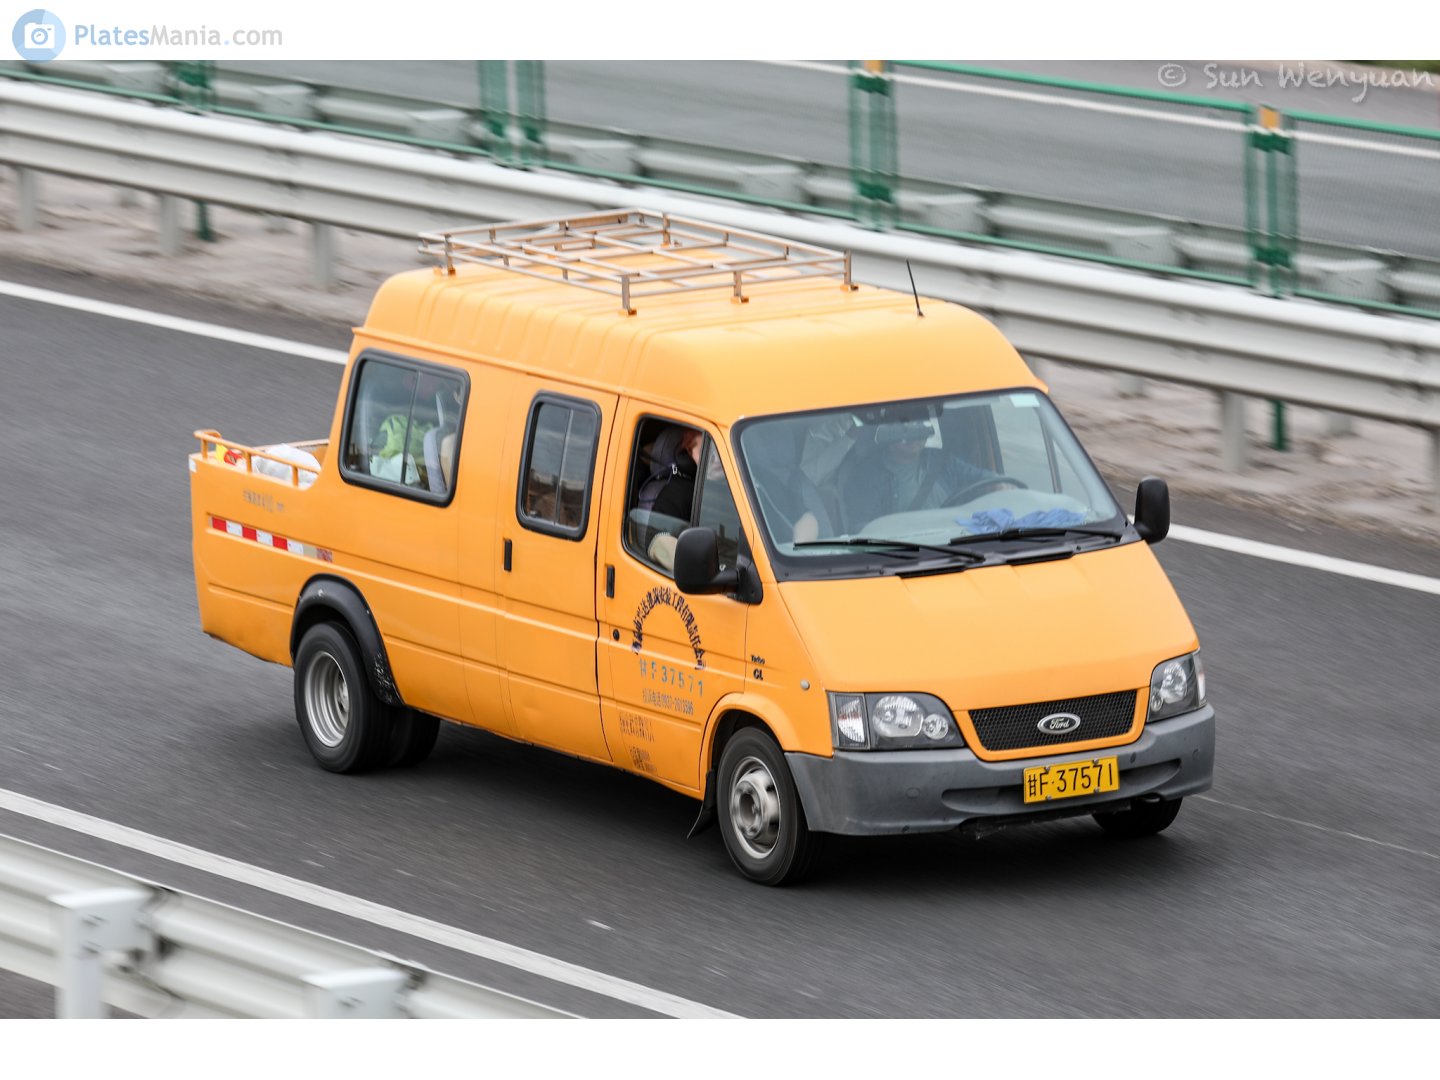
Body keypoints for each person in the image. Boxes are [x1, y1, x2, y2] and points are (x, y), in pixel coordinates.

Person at [838, 415, 1014, 531]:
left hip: (957, 542)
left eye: (920, 426)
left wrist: (1002, 487)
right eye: (905, 428)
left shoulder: (943, 461)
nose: (915, 434)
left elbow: (986, 481)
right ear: (888, 432)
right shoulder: (866, 476)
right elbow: (863, 530)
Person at [643, 426, 702, 570]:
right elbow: (656, 539)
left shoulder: (736, 484)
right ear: (689, 449)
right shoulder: (676, 492)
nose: (717, 459)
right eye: (708, 450)